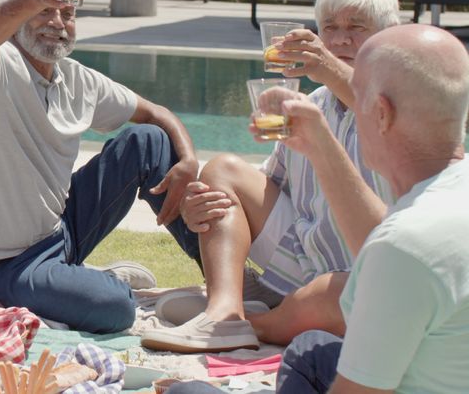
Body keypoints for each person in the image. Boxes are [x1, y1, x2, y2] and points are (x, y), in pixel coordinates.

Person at [167, 24, 469, 393]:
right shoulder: (442, 207)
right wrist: (320, 143)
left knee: (187, 392)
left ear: (381, 114)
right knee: (309, 350)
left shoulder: (403, 250)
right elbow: (384, 248)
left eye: (354, 99)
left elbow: (394, 254)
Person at [141, 0, 399, 353]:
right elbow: (269, 185)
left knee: (338, 296)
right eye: (331, 28)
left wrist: (325, 66)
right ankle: (224, 311)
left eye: (356, 28)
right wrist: (205, 205)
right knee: (222, 169)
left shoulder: (399, 103)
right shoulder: (310, 105)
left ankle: (255, 321)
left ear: (385, 37)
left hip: (371, 275)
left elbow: (369, 102)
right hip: (305, 258)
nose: (341, 39)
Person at [0, 0, 202, 334]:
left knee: (149, 141)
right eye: (44, 10)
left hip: (60, 231)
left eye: (67, 13)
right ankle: (88, 282)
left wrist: (189, 161)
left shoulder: (78, 79)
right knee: (117, 307)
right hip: (2, 265)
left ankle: (225, 281)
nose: (57, 22)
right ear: (19, 18)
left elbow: (156, 113)